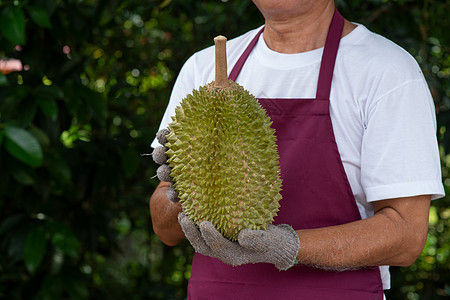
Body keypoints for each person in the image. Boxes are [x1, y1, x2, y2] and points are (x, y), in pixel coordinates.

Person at [149, 0, 444, 298]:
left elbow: (406, 237)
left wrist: (290, 246)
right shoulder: (203, 69)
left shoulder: (386, 71)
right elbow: (165, 230)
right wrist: (185, 186)